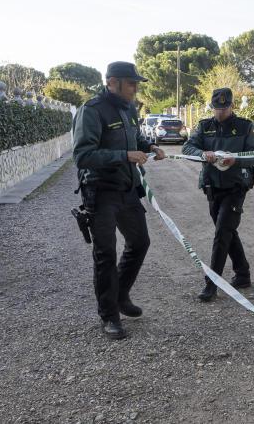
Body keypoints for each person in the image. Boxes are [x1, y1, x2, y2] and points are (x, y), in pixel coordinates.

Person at [72, 61, 165, 340]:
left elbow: (133, 137)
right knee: (105, 255)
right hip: (100, 192)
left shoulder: (128, 108)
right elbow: (83, 156)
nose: (136, 88)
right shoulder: (92, 111)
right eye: (131, 83)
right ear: (113, 82)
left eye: (136, 83)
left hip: (127, 188)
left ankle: (121, 294)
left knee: (140, 242)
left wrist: (149, 147)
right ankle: (110, 316)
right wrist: (124, 156)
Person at [182, 87, 254, 301]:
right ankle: (242, 273)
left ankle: (211, 284)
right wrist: (202, 153)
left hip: (235, 187)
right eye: (217, 109)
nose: (220, 113)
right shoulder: (204, 126)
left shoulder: (245, 126)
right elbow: (187, 148)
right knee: (226, 231)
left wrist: (236, 159)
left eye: (224, 109)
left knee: (221, 233)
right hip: (212, 187)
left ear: (232, 107)